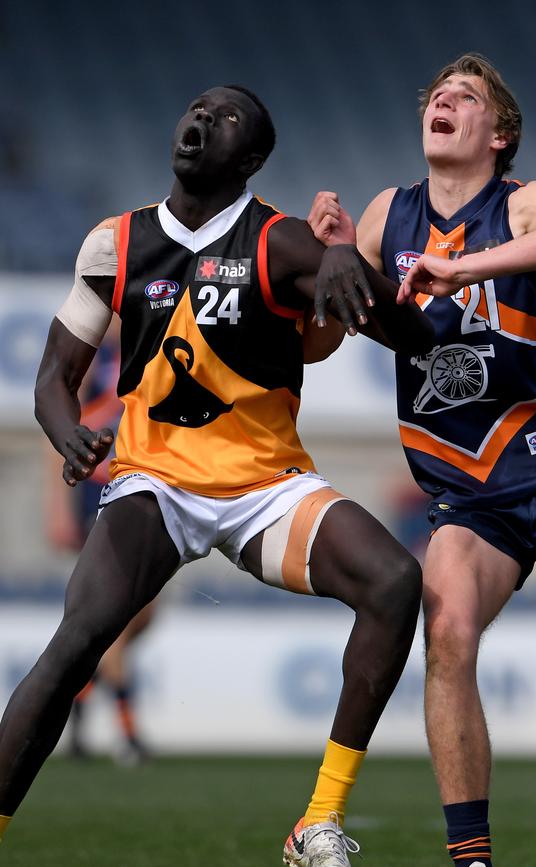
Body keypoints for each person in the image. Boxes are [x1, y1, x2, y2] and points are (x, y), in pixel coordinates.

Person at [0, 84, 436, 866]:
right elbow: (50, 383)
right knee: (78, 642)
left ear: (253, 157)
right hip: (151, 480)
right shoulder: (116, 242)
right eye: (197, 108)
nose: (201, 119)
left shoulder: (285, 242)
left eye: (225, 116)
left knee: (395, 581)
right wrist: (69, 438)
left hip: (265, 486)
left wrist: (350, 261)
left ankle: (317, 821)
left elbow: (415, 339)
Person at [307, 53, 536, 867]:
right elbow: (321, 342)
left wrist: (461, 268)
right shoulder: (388, 214)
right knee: (448, 629)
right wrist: (333, 263)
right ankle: (471, 858)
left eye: (467, 97)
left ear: (498, 136)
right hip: (469, 491)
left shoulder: (525, 205)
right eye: (436, 95)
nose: (444, 102)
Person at [44, 321, 155, 765]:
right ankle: (128, 736)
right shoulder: (96, 360)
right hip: (105, 495)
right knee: (120, 622)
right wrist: (57, 506)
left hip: (146, 488)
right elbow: (61, 424)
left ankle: (80, 701)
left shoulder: (152, 342)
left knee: (141, 619)